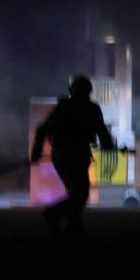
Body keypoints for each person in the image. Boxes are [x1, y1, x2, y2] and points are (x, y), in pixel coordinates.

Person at [31, 75, 115, 239]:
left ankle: (73, 229)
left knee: (75, 192)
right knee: (81, 193)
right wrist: (108, 145)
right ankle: (54, 213)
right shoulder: (91, 108)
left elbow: (43, 129)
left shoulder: (63, 107)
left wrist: (37, 150)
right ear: (88, 91)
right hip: (76, 154)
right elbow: (101, 131)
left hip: (61, 154)